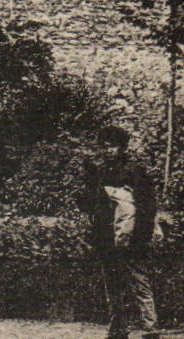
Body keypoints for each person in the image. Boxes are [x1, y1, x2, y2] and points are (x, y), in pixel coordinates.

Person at [79, 126, 159, 339]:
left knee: (138, 282)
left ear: (123, 147)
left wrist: (139, 235)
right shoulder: (100, 172)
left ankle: (150, 327)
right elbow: (91, 205)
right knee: (112, 285)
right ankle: (117, 329)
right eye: (104, 146)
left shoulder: (135, 171)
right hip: (107, 238)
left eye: (113, 146)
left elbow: (147, 207)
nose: (108, 150)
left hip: (132, 237)